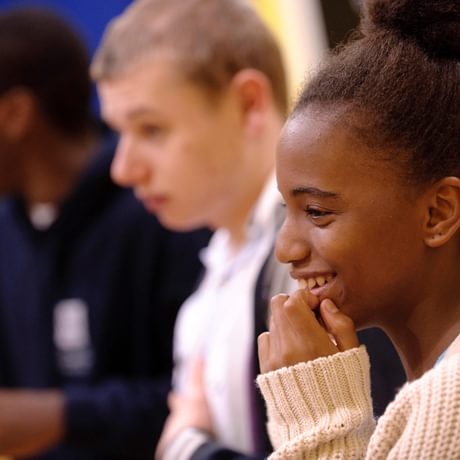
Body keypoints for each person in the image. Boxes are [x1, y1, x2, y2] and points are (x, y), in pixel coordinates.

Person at [91, 1, 405, 458]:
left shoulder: (324, 261)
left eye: (151, 129)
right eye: (119, 132)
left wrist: (185, 447)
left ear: (248, 103)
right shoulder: (216, 266)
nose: (123, 168)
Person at [0, 7, 210, 460]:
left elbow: (206, 399)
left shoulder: (163, 209)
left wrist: (63, 416)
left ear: (15, 113)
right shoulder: (7, 232)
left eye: (150, 129)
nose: (131, 165)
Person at [256, 0, 460, 458]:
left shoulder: (451, 401)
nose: (285, 248)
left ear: (438, 213)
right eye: (286, 208)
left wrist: (318, 422)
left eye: (317, 212)